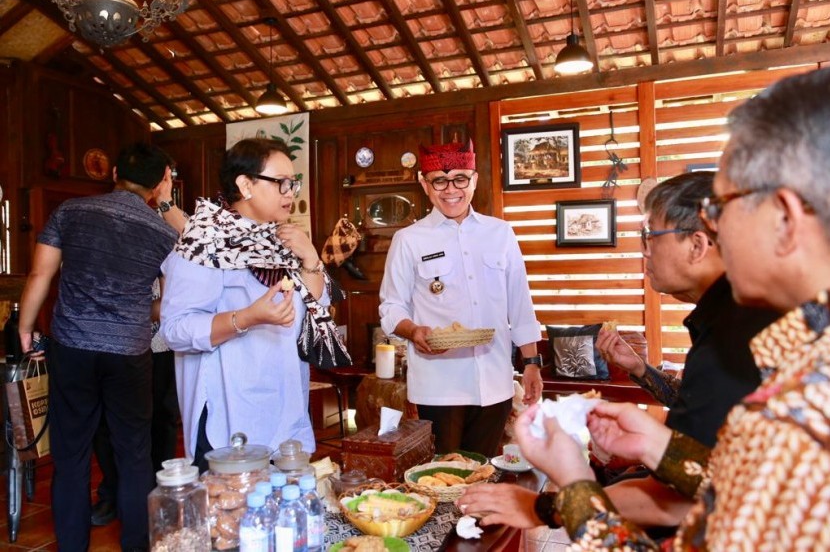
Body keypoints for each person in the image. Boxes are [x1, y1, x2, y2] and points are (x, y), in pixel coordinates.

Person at [512, 67, 830, 549]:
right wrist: (660, 445)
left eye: (722, 208)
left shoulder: (800, 407)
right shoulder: (796, 350)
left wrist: (573, 484)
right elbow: (735, 489)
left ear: (784, 218)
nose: (717, 230)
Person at [458, 172, 779, 532]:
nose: (644, 250)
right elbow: (711, 460)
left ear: (698, 245)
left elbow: (673, 502)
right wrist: (639, 369)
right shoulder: (741, 317)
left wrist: (543, 506)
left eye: (651, 235)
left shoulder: (733, 338)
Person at [17, 143, 179, 551]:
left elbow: (40, 274)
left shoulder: (70, 212)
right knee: (134, 455)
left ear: (113, 175)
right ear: (160, 184)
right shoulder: (164, 233)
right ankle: (136, 546)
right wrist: (139, 308)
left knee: (71, 456)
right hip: (130, 352)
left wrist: (25, 328)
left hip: (72, 347)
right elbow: (169, 303)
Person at [160, 137, 347, 471]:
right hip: (229, 414)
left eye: (294, 183)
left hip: (284, 404)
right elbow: (174, 330)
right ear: (245, 185)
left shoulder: (280, 241)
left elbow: (315, 314)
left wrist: (311, 259)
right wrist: (248, 317)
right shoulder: (203, 243)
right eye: (281, 183)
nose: (291, 192)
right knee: (230, 517)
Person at [378, 140, 542, 457]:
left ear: (474, 180)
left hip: (495, 380)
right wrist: (413, 331)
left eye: (460, 179)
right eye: (439, 179)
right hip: (439, 385)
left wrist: (532, 362)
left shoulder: (501, 233)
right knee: (441, 474)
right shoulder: (408, 240)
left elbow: (520, 302)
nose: (451, 189)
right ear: (424, 184)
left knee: (483, 470)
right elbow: (391, 306)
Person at [90, 179, 187, 527]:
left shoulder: (168, 227)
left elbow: (169, 302)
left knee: (158, 421)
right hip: (111, 342)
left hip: (155, 343)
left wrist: (128, 306)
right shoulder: (102, 226)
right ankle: (113, 492)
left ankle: (159, 495)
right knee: (106, 423)